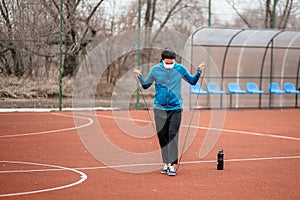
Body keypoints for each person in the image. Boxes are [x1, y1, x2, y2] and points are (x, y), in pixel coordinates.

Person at [134, 48, 205, 176]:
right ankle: (165, 163)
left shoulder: (180, 69)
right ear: (162, 60)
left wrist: (199, 71)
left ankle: (172, 165)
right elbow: (145, 86)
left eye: (171, 63)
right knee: (162, 136)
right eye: (167, 63)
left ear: (174, 60)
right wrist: (139, 77)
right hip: (160, 109)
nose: (169, 65)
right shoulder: (156, 69)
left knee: (173, 135)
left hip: (175, 108)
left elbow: (193, 81)